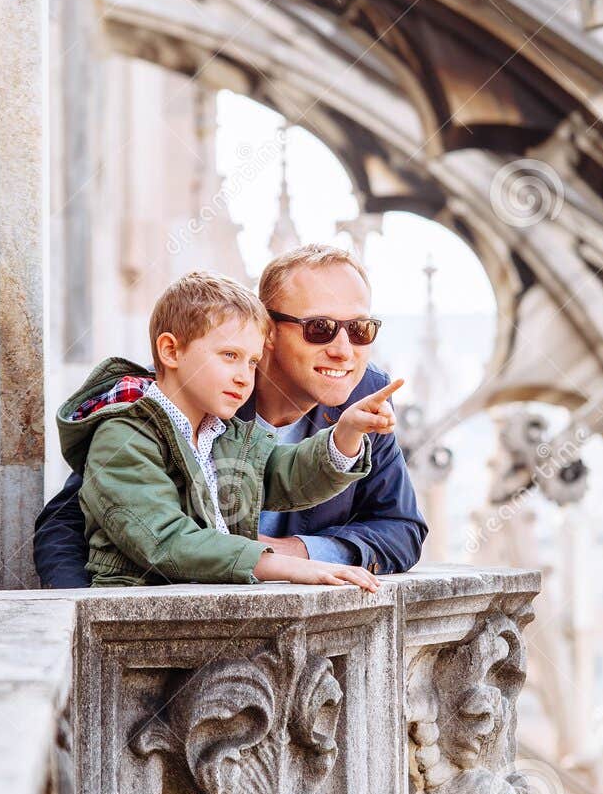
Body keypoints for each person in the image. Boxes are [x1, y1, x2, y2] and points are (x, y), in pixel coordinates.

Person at [35, 244, 427, 588]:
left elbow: (401, 529)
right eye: (319, 329)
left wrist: (299, 553)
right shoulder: (191, 394)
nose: (344, 351)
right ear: (266, 331)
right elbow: (68, 525)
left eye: (360, 329)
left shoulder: (365, 396)